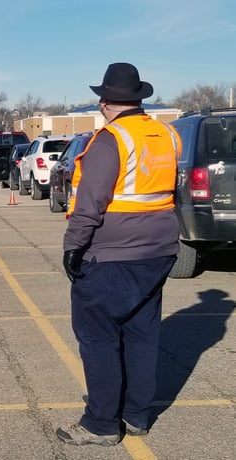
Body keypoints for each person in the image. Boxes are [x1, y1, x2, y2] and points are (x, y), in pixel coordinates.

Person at [56, 62, 181, 446]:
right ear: (138, 97)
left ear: (107, 100)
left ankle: (101, 422)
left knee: (98, 336)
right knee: (142, 333)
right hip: (159, 249)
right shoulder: (166, 134)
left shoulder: (111, 139)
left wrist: (73, 247)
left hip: (112, 252)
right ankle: (135, 414)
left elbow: (90, 203)